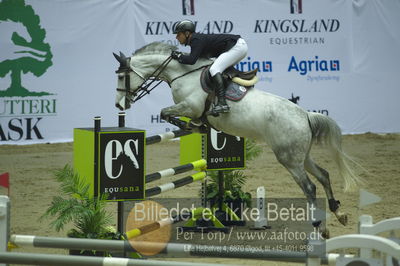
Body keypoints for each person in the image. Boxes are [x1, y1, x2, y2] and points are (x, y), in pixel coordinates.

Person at [171, 20, 248, 115]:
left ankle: (222, 103)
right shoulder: (195, 40)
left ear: (187, 33)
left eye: (178, 34)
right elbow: (197, 59)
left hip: (237, 47)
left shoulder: (196, 40)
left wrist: (178, 56)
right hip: (239, 46)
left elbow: (191, 60)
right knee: (217, 68)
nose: (176, 37)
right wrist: (181, 56)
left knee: (214, 69)